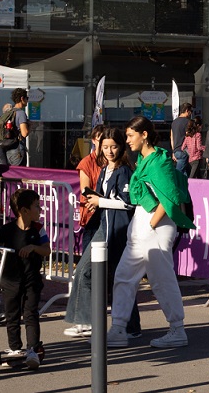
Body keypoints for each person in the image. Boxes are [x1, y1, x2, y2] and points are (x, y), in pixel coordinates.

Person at [108, 116, 194, 349]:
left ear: (144, 135)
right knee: (124, 276)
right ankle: (118, 328)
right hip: (144, 226)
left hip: (155, 226)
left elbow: (170, 199)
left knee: (161, 280)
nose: (127, 141)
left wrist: (151, 224)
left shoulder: (160, 161)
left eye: (130, 135)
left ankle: (177, 329)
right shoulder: (145, 159)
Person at [64, 128, 140, 340]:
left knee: (118, 278)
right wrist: (94, 201)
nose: (109, 151)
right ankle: (88, 321)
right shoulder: (105, 169)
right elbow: (105, 198)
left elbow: (129, 203)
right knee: (87, 272)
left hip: (117, 230)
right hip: (103, 228)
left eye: (113, 147)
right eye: (105, 147)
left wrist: (100, 201)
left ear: (121, 146)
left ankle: (128, 326)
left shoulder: (124, 171)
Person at [0, 189, 49, 368]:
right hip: (10, 280)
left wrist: (34, 247)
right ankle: (15, 348)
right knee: (12, 314)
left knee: (31, 314)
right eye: (36, 206)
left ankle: (33, 349)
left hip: (31, 279)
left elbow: (47, 250)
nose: (40, 209)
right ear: (24, 210)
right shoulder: (6, 230)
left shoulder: (38, 229)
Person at [0, 89, 31, 166]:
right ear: (22, 98)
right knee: (19, 175)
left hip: (8, 149)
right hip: (17, 150)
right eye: (27, 98)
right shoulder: (21, 113)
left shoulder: (10, 112)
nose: (27, 101)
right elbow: (24, 133)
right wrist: (30, 126)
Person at [171, 102, 193, 175]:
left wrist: (173, 151)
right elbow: (189, 136)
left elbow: (172, 137)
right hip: (184, 151)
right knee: (179, 173)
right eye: (191, 111)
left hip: (176, 150)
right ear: (187, 110)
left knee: (186, 173)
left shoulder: (174, 122)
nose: (191, 114)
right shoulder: (188, 122)